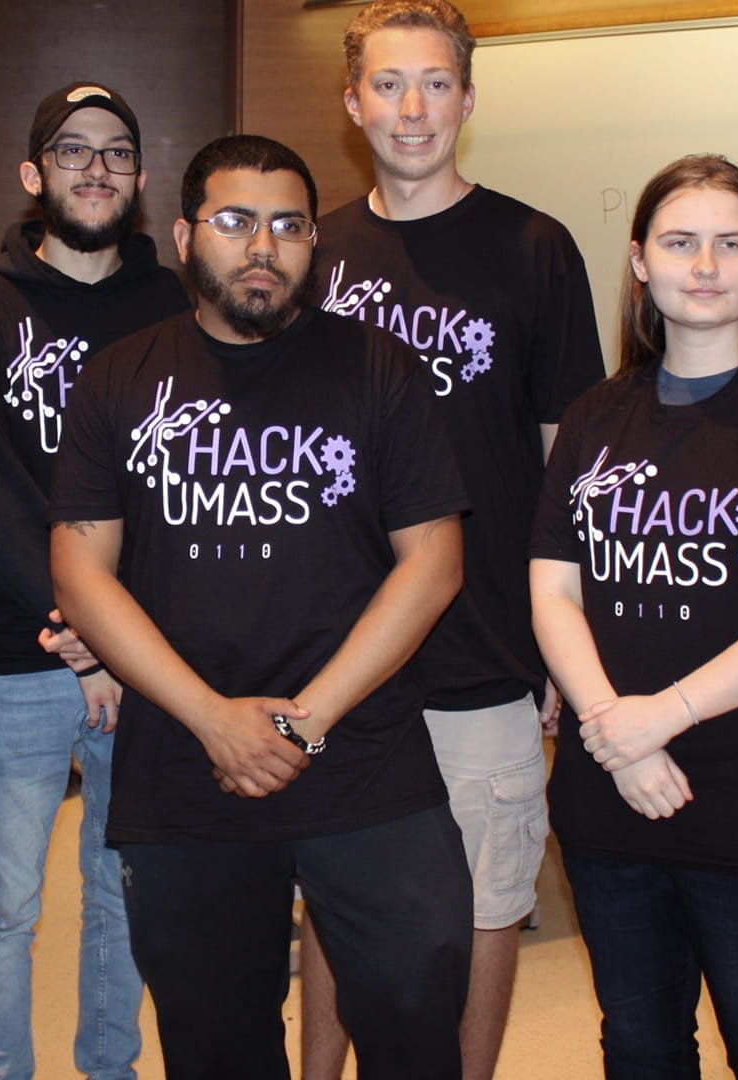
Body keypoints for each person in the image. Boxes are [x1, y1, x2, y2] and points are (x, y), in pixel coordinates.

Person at [48, 134, 473, 1078]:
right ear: (188, 231)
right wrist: (214, 722)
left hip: (361, 751)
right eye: (237, 222)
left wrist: (304, 720)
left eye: (288, 226)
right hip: (185, 763)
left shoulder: (379, 369)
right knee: (216, 1040)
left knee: (417, 1001)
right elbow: (81, 571)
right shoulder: (119, 377)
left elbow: (434, 562)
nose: (263, 247)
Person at [302, 3, 607, 1074]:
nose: (412, 107)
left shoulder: (535, 249)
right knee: (336, 901)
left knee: (487, 900)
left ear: (468, 101)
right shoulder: (316, 253)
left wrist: (571, 641)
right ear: (353, 104)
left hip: (486, 652)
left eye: (435, 83)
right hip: (337, 656)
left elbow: (572, 462)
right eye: (388, 84)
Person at [528, 154, 738, 1078]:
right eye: (681, 243)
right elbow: (554, 587)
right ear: (640, 260)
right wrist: (616, 728)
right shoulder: (598, 414)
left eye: (731, 244)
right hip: (613, 800)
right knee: (640, 1047)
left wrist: (662, 717)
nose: (706, 265)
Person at [0, 80, 187, 1080]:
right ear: (34, 174)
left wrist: (121, 633)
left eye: (117, 150)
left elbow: (181, 484)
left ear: (140, 175)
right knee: (6, 904)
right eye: (73, 150)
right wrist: (81, 619)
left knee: (124, 888)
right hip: (17, 650)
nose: (96, 167)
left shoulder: (174, 302)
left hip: (148, 652)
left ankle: (108, 1069)